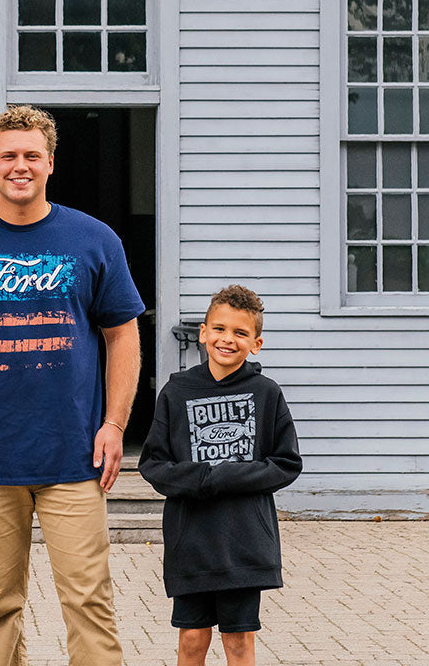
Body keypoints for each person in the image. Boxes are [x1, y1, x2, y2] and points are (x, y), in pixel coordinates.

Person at [0, 104, 144, 666]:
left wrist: (115, 425)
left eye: (32, 155)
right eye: (9, 156)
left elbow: (123, 338)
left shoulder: (94, 240)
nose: (21, 165)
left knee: (88, 601)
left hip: (74, 455)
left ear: (50, 163)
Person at [139, 285, 302, 666]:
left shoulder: (266, 393)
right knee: (192, 640)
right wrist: (202, 479)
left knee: (239, 642)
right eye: (219, 328)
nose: (227, 339)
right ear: (203, 332)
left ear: (256, 343)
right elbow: (154, 464)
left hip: (244, 543)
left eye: (240, 333)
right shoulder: (176, 392)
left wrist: (226, 477)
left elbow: (286, 463)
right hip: (190, 541)